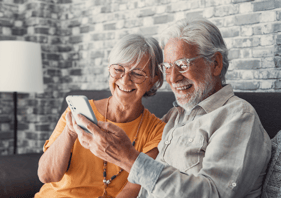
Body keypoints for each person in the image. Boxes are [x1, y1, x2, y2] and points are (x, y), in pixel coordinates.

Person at [72, 18, 272, 198]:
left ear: (216, 64)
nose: (173, 78)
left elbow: (213, 194)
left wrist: (129, 158)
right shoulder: (174, 117)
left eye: (183, 65)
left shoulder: (237, 116)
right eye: (167, 67)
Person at [35, 34, 166, 198]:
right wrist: (69, 133)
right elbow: (46, 176)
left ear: (153, 80)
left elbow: (132, 190)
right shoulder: (78, 112)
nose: (125, 80)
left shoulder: (156, 132)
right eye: (118, 69)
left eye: (137, 73)